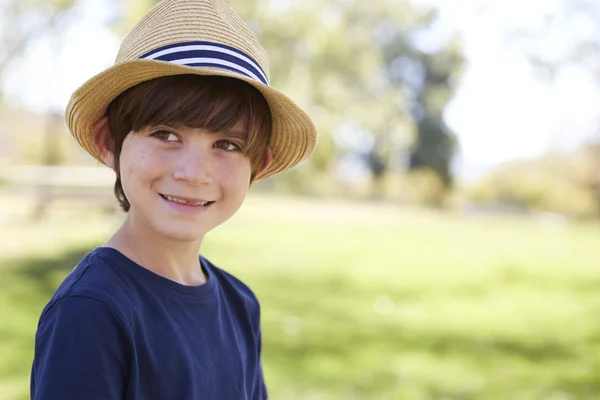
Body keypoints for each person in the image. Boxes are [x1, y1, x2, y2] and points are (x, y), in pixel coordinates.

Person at [29, 0, 317, 399]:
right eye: (166, 134)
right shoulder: (92, 310)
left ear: (259, 166)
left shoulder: (240, 305)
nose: (193, 172)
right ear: (108, 143)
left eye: (228, 144)